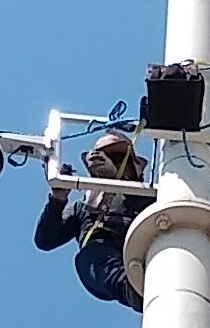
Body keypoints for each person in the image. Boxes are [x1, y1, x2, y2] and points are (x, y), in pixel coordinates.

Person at [35, 132, 144, 310]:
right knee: (90, 254)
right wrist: (58, 199)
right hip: (105, 253)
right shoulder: (84, 207)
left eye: (117, 158)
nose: (111, 162)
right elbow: (45, 239)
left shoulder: (150, 194)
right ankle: (131, 288)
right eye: (105, 157)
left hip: (143, 246)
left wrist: (121, 184)